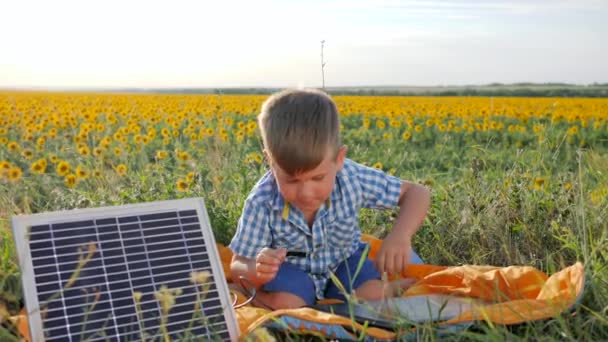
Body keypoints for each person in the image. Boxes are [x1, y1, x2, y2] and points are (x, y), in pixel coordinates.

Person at [229, 88, 431, 309]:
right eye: (292, 181)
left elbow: (417, 193)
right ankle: (254, 297)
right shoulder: (262, 201)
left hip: (344, 263)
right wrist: (257, 269)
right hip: (290, 273)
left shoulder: (351, 178)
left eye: (317, 178)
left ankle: (380, 291)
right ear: (270, 162)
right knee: (289, 304)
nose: (306, 193)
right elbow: (238, 264)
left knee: (368, 297)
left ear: (339, 159)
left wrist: (400, 235)